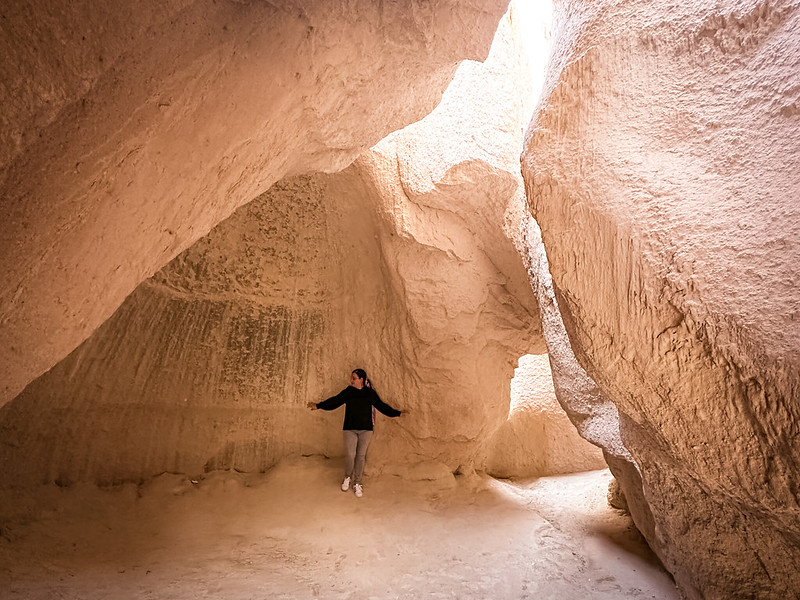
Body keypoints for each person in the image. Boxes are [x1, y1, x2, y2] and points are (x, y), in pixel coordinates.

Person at [307, 369, 402, 497]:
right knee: (351, 455)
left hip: (366, 430)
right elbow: (335, 401)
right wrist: (319, 405)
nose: (351, 380)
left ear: (361, 379)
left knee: (361, 456)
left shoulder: (370, 393)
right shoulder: (348, 392)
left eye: (354, 378)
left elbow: (381, 406)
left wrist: (398, 413)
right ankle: (347, 477)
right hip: (350, 429)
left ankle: (358, 483)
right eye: (351, 378)